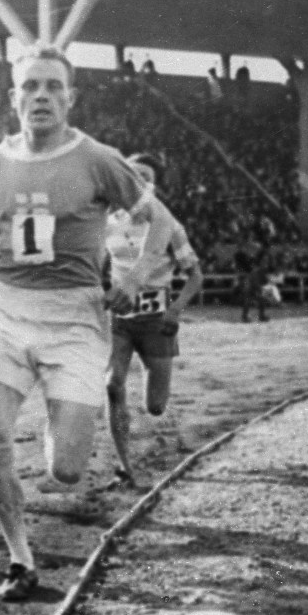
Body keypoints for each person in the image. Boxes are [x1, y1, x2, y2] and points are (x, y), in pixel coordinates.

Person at [0, 44, 176, 600]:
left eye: (52, 86)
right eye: (30, 87)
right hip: (9, 308)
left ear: (70, 97)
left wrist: (137, 277)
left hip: (75, 319)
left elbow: (159, 221)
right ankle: (20, 559)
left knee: (65, 469)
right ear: (14, 96)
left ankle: (57, 410)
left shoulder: (97, 159)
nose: (40, 96)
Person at [105, 154, 204, 486]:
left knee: (156, 406)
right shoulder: (108, 222)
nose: (137, 181)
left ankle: (166, 423)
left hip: (157, 322)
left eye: (144, 176)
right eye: (131, 175)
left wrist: (175, 310)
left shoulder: (170, 226)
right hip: (121, 319)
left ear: (153, 186)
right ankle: (123, 467)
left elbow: (195, 277)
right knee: (112, 385)